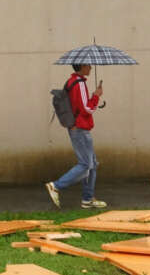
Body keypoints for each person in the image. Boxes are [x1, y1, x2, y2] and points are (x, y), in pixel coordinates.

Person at [45, 63, 107, 209]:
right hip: (80, 129)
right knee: (86, 164)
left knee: (92, 164)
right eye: (89, 66)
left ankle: (87, 199)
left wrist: (93, 97)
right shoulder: (79, 83)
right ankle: (56, 186)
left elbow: (78, 105)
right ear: (82, 67)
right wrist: (96, 97)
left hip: (78, 127)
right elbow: (87, 108)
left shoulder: (72, 81)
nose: (91, 68)